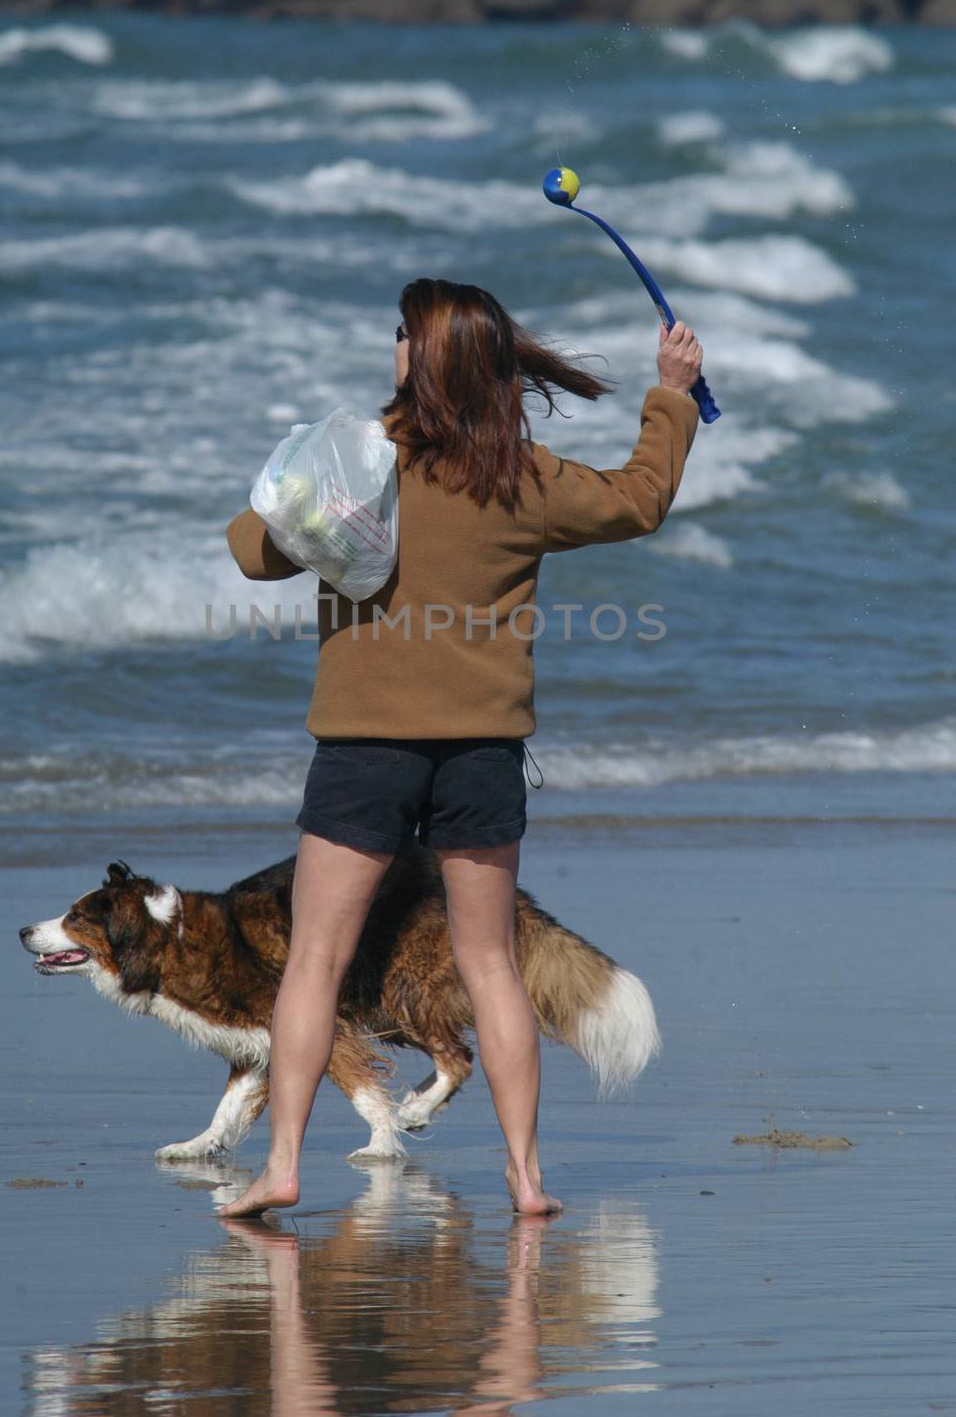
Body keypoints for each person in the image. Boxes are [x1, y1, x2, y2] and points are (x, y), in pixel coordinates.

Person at [222, 277, 703, 1219]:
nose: (394, 346)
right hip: (483, 753)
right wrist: (672, 396)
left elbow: (251, 550)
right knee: (490, 965)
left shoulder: (364, 463)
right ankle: (527, 1180)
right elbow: (641, 500)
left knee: (316, 959)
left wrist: (306, 469)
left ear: (426, 359)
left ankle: (282, 1167)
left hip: (365, 751)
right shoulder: (521, 475)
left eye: (404, 334)